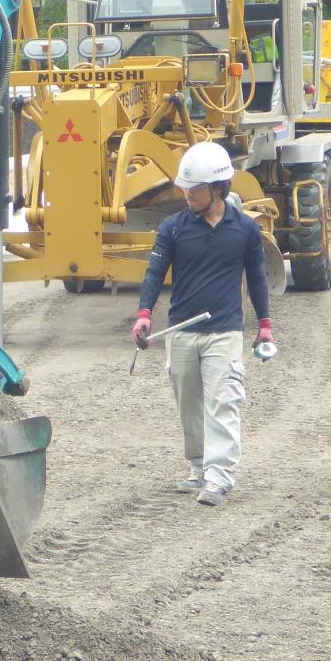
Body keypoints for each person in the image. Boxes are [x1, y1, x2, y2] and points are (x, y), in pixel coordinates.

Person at [132, 140, 276, 507]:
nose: (187, 196)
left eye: (194, 189)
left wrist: (264, 324)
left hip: (224, 332)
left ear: (218, 188)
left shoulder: (244, 230)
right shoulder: (173, 229)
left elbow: (257, 278)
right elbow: (154, 273)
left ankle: (219, 477)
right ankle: (198, 467)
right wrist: (145, 314)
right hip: (181, 331)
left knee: (223, 402)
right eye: (184, 188)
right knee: (190, 406)